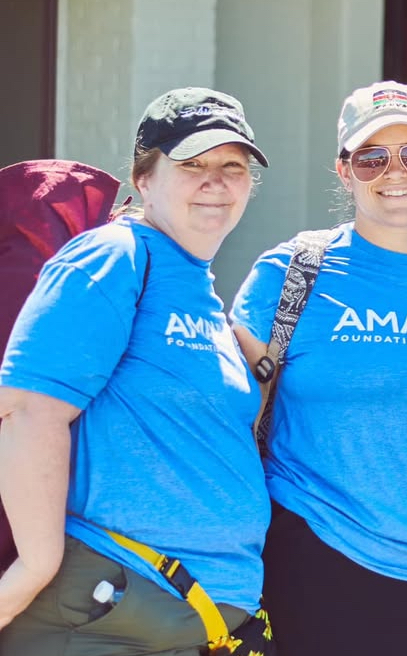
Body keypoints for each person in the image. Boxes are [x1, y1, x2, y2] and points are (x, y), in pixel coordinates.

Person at [228, 81, 407, 656]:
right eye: (371, 157)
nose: (395, 172)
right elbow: (230, 409)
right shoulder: (293, 270)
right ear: (344, 171)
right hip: (315, 552)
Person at [0, 89, 270, 656]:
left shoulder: (199, 290)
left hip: (181, 618)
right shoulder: (113, 256)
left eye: (232, 166)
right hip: (103, 608)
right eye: (193, 165)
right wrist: (33, 566)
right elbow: (28, 409)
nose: (215, 182)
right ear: (144, 179)